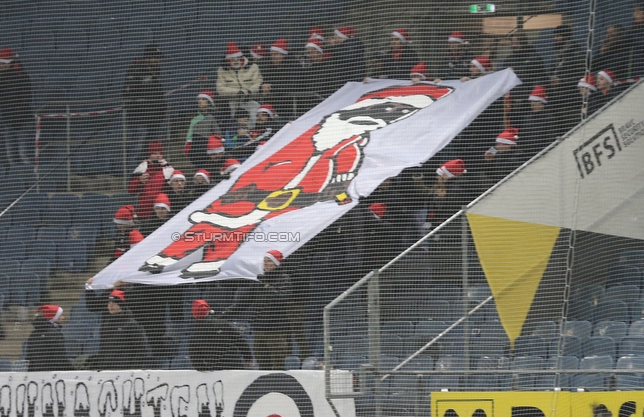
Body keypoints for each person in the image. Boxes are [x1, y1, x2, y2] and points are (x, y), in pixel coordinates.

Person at [140, 84, 453, 278]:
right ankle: (168, 257)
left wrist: (339, 193)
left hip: (290, 195)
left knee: (240, 223)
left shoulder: (346, 146)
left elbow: (339, 174)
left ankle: (190, 258)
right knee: (229, 221)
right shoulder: (311, 142)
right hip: (267, 192)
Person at [224, 250, 293, 370]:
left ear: (276, 263)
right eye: (265, 261)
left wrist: (267, 287)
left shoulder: (284, 278)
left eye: (269, 261)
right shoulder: (259, 280)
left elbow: (283, 298)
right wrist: (225, 314)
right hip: (259, 330)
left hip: (276, 331)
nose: (266, 264)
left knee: (278, 366)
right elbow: (243, 302)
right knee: (262, 366)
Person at [123, 44, 167, 163]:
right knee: (136, 148)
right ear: (148, 57)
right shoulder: (135, 68)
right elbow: (127, 92)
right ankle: (132, 175)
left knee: (152, 149)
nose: (158, 60)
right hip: (138, 118)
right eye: (156, 57)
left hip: (154, 118)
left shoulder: (156, 70)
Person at [0, 47, 33, 166]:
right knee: (11, 155)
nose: (0, 66)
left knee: (23, 153)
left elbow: (26, 98)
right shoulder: (0, 79)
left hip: (23, 121)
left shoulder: (22, 76)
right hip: (8, 121)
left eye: (2, 63)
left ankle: (30, 179)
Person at [90, 289, 149, 370]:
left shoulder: (131, 324)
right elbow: (103, 348)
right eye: (109, 303)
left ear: (120, 304)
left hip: (125, 369)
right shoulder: (105, 324)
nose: (110, 306)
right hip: (107, 369)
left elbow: (141, 349)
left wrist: (132, 369)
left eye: (114, 303)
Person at [188, 299, 251, 371]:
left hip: (215, 370)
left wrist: (204, 369)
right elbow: (239, 340)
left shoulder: (196, 332)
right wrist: (248, 357)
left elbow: (194, 355)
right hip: (235, 365)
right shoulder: (222, 323)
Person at [548, 25, 583, 131]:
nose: (555, 39)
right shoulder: (558, 54)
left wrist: (562, 81)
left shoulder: (577, 53)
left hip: (571, 102)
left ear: (566, 36)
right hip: (558, 102)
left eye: (558, 36)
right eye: (555, 36)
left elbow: (582, 78)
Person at [127, 140, 172, 220]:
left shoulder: (168, 169)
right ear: (149, 155)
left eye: (160, 153)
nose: (158, 156)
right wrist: (139, 180)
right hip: (145, 212)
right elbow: (131, 190)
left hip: (162, 213)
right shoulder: (142, 168)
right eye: (155, 153)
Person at [216, 42, 262, 115]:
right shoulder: (222, 70)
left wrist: (249, 91)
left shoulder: (253, 67)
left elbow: (258, 83)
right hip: (232, 103)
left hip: (251, 100)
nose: (235, 61)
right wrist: (238, 92)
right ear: (228, 60)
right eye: (232, 59)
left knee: (255, 113)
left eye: (237, 58)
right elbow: (220, 88)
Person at [184, 90, 221, 171]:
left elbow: (218, 133)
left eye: (203, 99)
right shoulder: (195, 117)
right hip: (197, 148)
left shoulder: (215, 116)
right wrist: (188, 143)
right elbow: (190, 133)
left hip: (210, 149)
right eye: (199, 99)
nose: (200, 101)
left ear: (209, 102)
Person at [258, 38, 295, 119]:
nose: (273, 57)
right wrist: (262, 87)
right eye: (272, 54)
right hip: (270, 103)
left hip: (287, 104)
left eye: (276, 54)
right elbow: (262, 82)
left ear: (283, 54)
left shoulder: (293, 65)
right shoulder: (267, 66)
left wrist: (271, 87)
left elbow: (291, 84)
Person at [25, 304, 68, 372]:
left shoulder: (33, 334)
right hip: (51, 372)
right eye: (60, 315)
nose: (63, 317)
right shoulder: (55, 334)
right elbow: (60, 356)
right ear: (54, 317)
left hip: (34, 371)